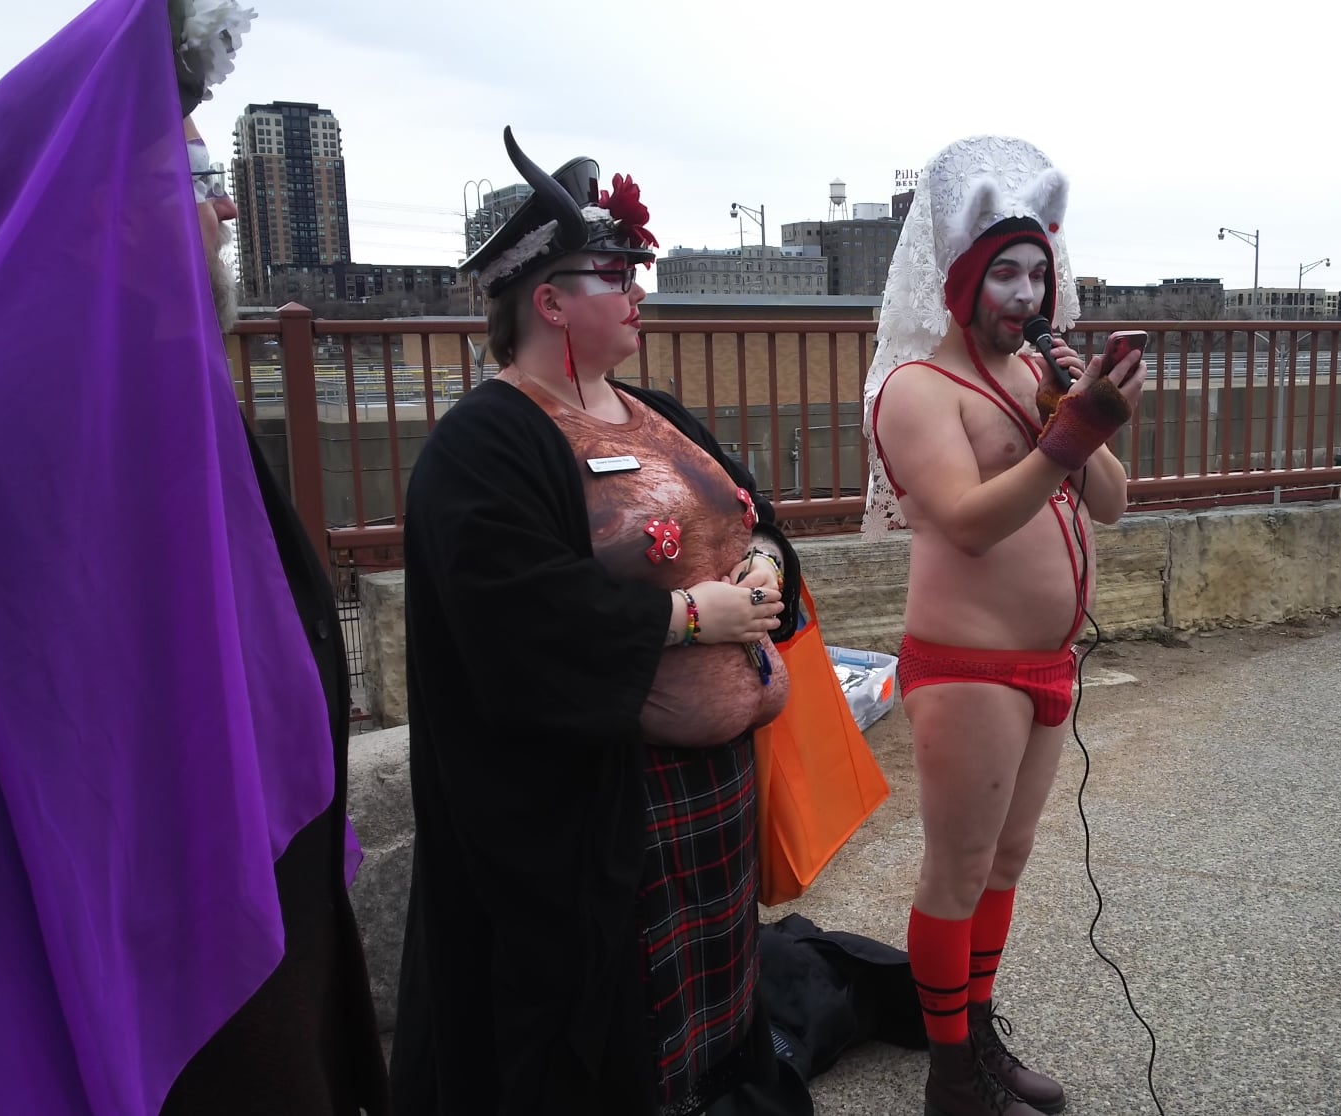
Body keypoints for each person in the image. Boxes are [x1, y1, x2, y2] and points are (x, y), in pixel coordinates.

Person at [0, 1, 391, 1112]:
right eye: (194, 176)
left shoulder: (168, 391)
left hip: (260, 905)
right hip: (126, 969)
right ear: (94, 197)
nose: (227, 206)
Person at [390, 128, 802, 1116]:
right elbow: (516, 616)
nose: (637, 290)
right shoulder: (483, 443)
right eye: (615, 274)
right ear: (548, 301)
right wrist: (687, 617)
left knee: (715, 1003)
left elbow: (751, 507)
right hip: (606, 810)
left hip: (715, 784)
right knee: (625, 1028)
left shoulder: (653, 409)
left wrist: (764, 562)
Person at [862, 136, 1145, 1116]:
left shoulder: (1032, 375)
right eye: (1004, 275)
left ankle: (977, 1036)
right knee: (957, 868)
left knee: (1007, 861)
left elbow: (1110, 503)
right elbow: (968, 522)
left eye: (1037, 273)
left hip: (1045, 663)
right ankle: (951, 1077)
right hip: (966, 665)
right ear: (961, 282)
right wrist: (1068, 438)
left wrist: (1079, 414)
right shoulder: (916, 390)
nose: (1025, 295)